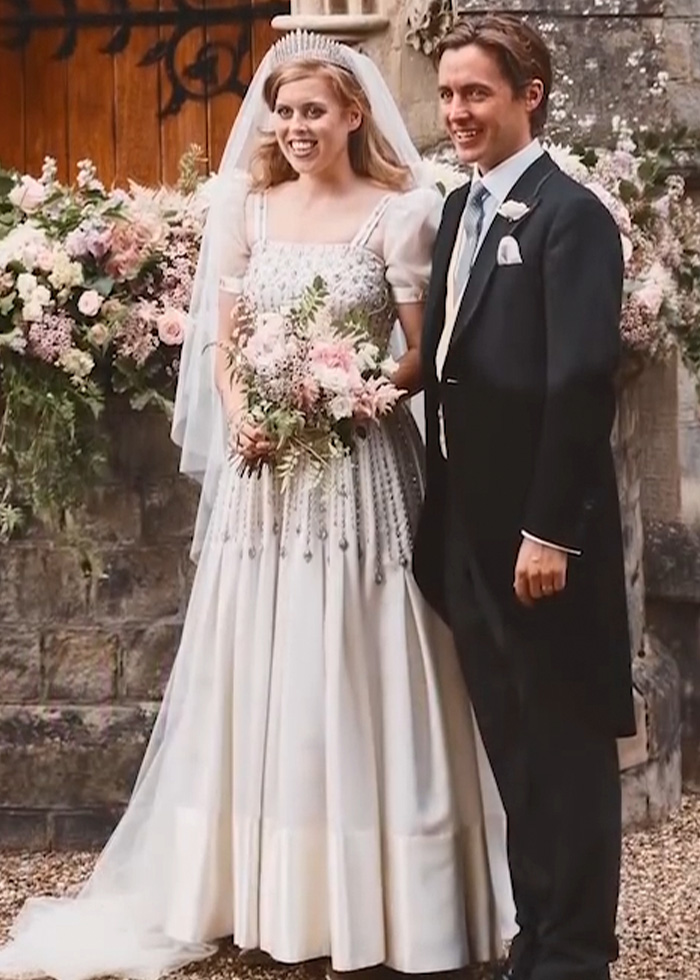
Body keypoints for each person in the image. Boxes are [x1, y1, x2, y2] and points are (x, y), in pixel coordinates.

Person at [0, 30, 514, 980]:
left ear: (353, 114)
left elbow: (421, 352)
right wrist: (244, 411)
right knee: (262, 659)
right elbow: (223, 342)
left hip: (359, 468)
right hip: (263, 476)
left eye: (314, 110)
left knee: (362, 654)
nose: (296, 126)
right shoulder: (246, 206)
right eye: (284, 112)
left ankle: (391, 898)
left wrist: (352, 393)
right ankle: (259, 890)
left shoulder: (403, 213)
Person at [413, 14, 636, 980]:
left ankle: (578, 955)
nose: (457, 111)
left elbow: (581, 381)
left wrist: (548, 530)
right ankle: (536, 942)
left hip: (539, 541)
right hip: (467, 531)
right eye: (447, 93)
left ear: (529, 95)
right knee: (515, 750)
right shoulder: (459, 211)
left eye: (477, 92)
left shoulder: (569, 215)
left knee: (566, 749)